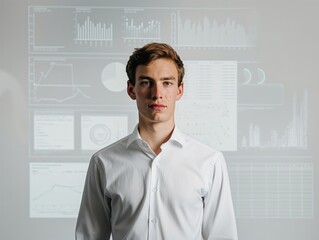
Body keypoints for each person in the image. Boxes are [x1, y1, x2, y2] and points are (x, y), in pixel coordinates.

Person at [75, 42, 238, 240]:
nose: (157, 93)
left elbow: (223, 236)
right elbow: (89, 237)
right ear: (131, 89)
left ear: (179, 90)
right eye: (145, 82)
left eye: (167, 82)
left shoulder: (209, 161)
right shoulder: (104, 162)